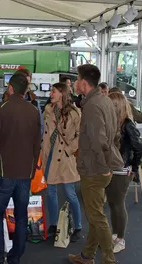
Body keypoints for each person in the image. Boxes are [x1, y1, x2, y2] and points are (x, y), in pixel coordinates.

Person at [0, 73, 41, 264]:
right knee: (21, 218)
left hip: (4, 172)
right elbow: (37, 144)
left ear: (10, 88)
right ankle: (14, 259)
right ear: (26, 90)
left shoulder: (0, 109)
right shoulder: (33, 111)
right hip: (25, 173)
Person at [68, 64, 123, 264]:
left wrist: (103, 167)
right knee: (95, 213)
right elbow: (114, 134)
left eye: (77, 79)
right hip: (101, 166)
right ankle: (87, 255)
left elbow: (99, 141)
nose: (75, 83)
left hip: (95, 169)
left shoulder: (91, 106)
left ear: (84, 83)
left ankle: (109, 260)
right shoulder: (104, 100)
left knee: (97, 218)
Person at [42, 83, 82, 242]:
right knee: (50, 192)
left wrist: (70, 149)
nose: (51, 94)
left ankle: (78, 226)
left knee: (70, 193)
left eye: (54, 91)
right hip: (50, 154)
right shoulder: (48, 110)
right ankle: (53, 224)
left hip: (65, 156)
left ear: (62, 94)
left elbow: (81, 135)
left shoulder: (74, 112)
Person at [106, 92, 142, 254]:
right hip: (111, 169)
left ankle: (120, 238)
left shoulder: (128, 124)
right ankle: (115, 235)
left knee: (118, 204)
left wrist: (134, 168)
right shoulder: (112, 123)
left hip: (123, 170)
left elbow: (139, 147)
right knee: (113, 203)